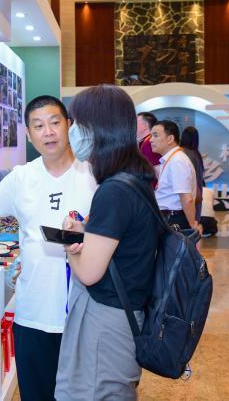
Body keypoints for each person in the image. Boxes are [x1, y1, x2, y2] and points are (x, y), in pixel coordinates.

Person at [0, 96, 97, 401]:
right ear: (28, 133)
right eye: (38, 126)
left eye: (54, 122)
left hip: (86, 316)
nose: (48, 132)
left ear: (69, 125)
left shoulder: (94, 175)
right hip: (33, 315)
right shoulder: (21, 177)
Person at [56, 84, 158, 400]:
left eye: (77, 122)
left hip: (106, 321)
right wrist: (86, 231)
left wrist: (69, 242)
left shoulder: (113, 191)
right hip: (122, 314)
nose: (72, 130)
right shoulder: (134, 180)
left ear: (100, 128)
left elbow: (88, 273)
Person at [150, 120, 198, 230]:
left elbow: (186, 198)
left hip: (174, 219)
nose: (151, 140)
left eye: (155, 135)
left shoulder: (177, 161)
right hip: (168, 217)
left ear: (170, 139)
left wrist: (192, 225)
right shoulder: (171, 159)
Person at [180, 126, 204, 224]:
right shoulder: (196, 154)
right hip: (196, 193)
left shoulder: (182, 153)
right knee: (194, 221)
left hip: (187, 194)